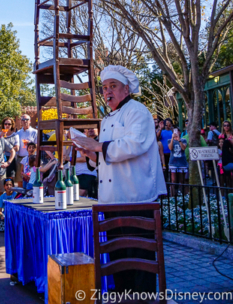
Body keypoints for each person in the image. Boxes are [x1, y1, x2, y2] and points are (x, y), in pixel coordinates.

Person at [72, 65, 166, 297]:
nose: (107, 92)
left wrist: (99, 147)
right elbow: (108, 158)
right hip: (113, 202)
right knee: (119, 259)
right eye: (104, 88)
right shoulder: (107, 119)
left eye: (113, 86)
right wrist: (92, 156)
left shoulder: (138, 111)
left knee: (140, 259)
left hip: (137, 199)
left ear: (126, 89)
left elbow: (135, 144)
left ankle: (144, 302)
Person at [15, 115, 37, 186]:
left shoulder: (34, 132)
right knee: (20, 179)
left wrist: (30, 143)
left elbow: (38, 145)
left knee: (31, 178)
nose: (25, 121)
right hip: (20, 158)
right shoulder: (18, 133)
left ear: (30, 121)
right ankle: (21, 196)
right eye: (23, 119)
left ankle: (30, 195)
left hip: (31, 158)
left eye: (26, 119)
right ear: (21, 121)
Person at [168, 126, 188, 195]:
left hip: (182, 162)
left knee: (182, 180)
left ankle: (183, 195)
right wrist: (172, 139)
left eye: (176, 131)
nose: (175, 133)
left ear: (179, 132)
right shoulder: (169, 140)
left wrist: (179, 140)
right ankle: (173, 195)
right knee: (173, 180)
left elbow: (183, 148)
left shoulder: (183, 140)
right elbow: (170, 148)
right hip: (173, 162)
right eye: (174, 132)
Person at [221, 121, 233, 188]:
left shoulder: (232, 135)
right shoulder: (222, 136)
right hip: (225, 158)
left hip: (231, 157)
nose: (226, 127)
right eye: (225, 125)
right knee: (227, 178)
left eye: (228, 125)